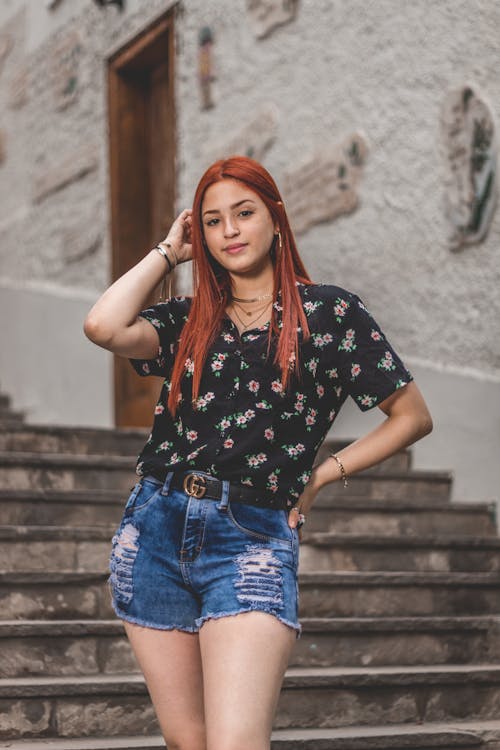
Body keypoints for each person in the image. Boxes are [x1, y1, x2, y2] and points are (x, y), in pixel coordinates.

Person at [83, 154, 433, 750]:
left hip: (250, 537)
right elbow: (103, 326)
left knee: (236, 742)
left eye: (244, 214)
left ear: (275, 217)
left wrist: (323, 474)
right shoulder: (193, 318)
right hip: (153, 528)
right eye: (213, 221)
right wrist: (171, 252)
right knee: (187, 742)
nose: (230, 232)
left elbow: (412, 417)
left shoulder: (330, 315)